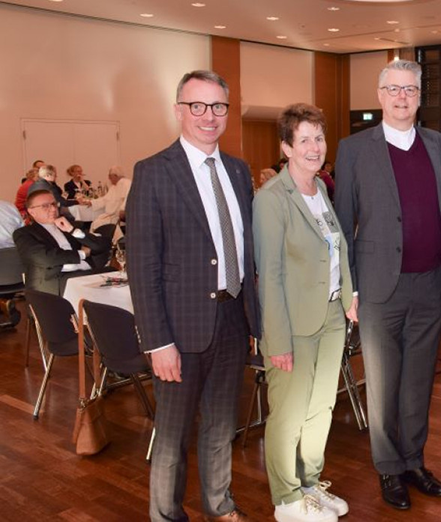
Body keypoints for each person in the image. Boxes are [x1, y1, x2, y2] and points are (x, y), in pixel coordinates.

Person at [128, 70, 260, 522]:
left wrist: (253, 322)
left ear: (228, 111)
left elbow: (246, 251)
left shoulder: (239, 171)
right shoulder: (152, 172)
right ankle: (166, 516)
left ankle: (219, 505)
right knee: (172, 437)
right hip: (179, 331)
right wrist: (157, 341)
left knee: (222, 428)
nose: (209, 116)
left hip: (231, 320)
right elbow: (142, 267)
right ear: (179, 110)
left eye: (218, 106)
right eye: (197, 106)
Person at [334, 59, 441, 511]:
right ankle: (388, 469)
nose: (402, 97)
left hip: (430, 286)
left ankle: (414, 461)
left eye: (410, 89)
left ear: (420, 97)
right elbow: (343, 222)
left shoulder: (440, 145)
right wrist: (350, 289)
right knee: (383, 386)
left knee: (418, 384)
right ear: (380, 95)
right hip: (378, 289)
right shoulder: (354, 149)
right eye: (393, 89)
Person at [253, 103, 355, 522]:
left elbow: (337, 251)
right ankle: (287, 500)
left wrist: (349, 296)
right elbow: (269, 276)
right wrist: (275, 340)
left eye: (320, 138)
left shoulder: (321, 190)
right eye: (305, 140)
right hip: (292, 325)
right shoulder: (271, 199)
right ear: (286, 147)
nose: (315, 147)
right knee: (289, 414)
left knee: (321, 409)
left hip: (331, 317)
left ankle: (310, 484)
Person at [13, 189, 110, 295]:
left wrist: (72, 231)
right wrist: (82, 254)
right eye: (45, 206)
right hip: (56, 279)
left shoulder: (70, 226)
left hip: (86, 272)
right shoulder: (24, 233)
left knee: (113, 274)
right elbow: (45, 258)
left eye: (54, 204)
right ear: (32, 211)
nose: (53, 209)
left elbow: (103, 245)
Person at [79, 166, 132, 232]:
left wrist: (123, 209)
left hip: (118, 215)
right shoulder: (113, 187)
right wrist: (91, 202)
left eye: (110, 176)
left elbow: (128, 197)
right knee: (96, 223)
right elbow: (105, 199)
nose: (109, 178)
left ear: (115, 175)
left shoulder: (126, 183)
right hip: (111, 215)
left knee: (99, 224)